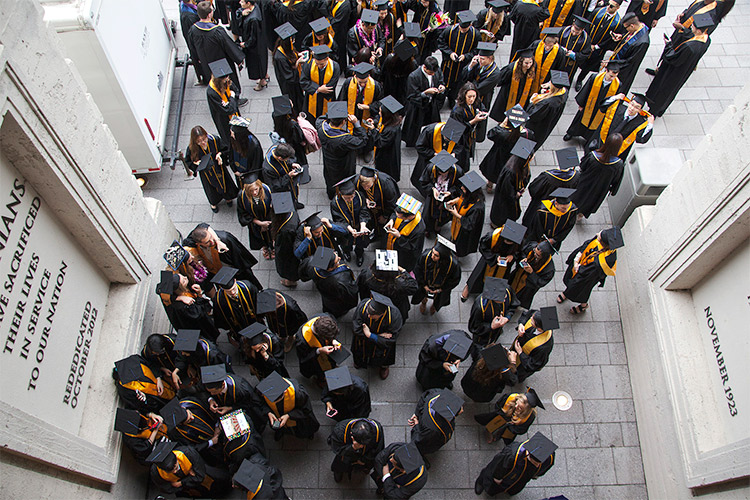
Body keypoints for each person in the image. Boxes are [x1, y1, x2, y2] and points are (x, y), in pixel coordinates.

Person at [645, 14, 712, 117]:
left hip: (674, 71)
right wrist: (683, 29)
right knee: (671, 91)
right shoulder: (707, 40)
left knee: (663, 89)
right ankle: (659, 109)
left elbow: (674, 59)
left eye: (693, 26)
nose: (691, 27)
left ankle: (653, 111)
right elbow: (691, 36)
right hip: (685, 70)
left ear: (698, 30)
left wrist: (668, 45)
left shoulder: (689, 47)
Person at [560, 226, 622, 314]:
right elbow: (587, 244)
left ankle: (583, 305)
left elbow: (586, 273)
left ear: (603, 243)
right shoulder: (601, 241)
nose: (597, 235)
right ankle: (567, 292)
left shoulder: (604, 261)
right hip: (580, 265)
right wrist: (578, 256)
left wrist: (578, 267)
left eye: (599, 236)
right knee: (571, 282)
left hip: (586, 278)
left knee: (581, 291)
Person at [188, 1, 247, 94]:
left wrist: (197, 59)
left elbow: (192, 47)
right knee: (226, 81)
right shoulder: (216, 31)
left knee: (214, 82)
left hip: (206, 62)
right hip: (221, 62)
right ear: (209, 14)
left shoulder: (193, 30)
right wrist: (238, 58)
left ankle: (219, 96)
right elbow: (228, 46)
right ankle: (232, 97)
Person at [473, 432, 556, 496]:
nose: (537, 466)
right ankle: (482, 480)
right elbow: (498, 466)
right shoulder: (512, 454)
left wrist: (536, 475)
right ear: (528, 454)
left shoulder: (549, 455)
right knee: (493, 483)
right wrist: (497, 478)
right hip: (505, 474)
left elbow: (545, 468)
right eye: (535, 463)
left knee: (514, 487)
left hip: (522, 479)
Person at [185, 223, 263, 289]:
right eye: (207, 242)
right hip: (216, 272)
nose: (212, 242)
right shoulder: (192, 241)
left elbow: (238, 257)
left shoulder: (225, 239)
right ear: (198, 244)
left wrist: (217, 241)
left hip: (233, 270)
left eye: (211, 238)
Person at [317, 101, 369, 198]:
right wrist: (356, 124)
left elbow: (321, 117)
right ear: (344, 122)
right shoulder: (344, 140)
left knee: (330, 178)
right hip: (343, 163)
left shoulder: (321, 127)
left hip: (328, 159)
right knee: (344, 180)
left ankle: (331, 194)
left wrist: (334, 113)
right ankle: (343, 195)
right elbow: (362, 141)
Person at [462, 220, 525, 299]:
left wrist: (513, 256)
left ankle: (491, 293)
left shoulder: (518, 240)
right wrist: (495, 257)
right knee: (478, 277)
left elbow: (520, 252)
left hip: (505, 264)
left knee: (499, 279)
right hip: (489, 260)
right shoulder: (492, 236)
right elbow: (483, 247)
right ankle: (469, 288)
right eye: (506, 241)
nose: (507, 243)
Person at [480, 105, 535, 193]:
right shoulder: (527, 134)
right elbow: (525, 151)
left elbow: (490, 134)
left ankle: (490, 184)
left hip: (498, 156)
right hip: (512, 161)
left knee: (492, 171)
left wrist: (501, 125)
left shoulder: (502, 133)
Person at [522, 148, 580, 228]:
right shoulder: (576, 176)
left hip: (541, 203)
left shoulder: (547, 176)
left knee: (532, 219)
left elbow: (533, 189)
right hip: (559, 204)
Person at [185, 125, 238, 213]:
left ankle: (228, 197)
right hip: (206, 172)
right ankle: (213, 203)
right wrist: (196, 164)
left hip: (218, 166)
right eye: (199, 141)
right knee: (210, 188)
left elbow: (225, 149)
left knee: (225, 182)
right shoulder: (192, 148)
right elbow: (188, 161)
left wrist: (220, 155)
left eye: (204, 139)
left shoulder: (214, 139)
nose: (203, 142)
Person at [156, 270, 221, 342]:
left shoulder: (169, 293)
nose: (186, 277)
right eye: (183, 281)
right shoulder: (185, 305)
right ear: (180, 288)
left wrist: (177, 298)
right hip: (196, 327)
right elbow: (200, 312)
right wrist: (199, 294)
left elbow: (158, 288)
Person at [147, 442, 231, 497]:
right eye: (171, 471)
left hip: (205, 477)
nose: (175, 471)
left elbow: (200, 475)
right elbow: (168, 489)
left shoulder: (188, 453)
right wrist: (190, 477)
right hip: (190, 488)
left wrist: (181, 482)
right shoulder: (156, 472)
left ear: (176, 458)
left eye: (176, 467)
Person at [564, 61, 621, 143]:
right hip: (589, 104)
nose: (612, 78)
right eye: (611, 76)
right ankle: (571, 133)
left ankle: (588, 139)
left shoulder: (618, 84)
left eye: (615, 76)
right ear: (606, 71)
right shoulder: (595, 77)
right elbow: (586, 90)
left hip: (600, 109)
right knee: (580, 119)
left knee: (595, 124)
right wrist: (581, 104)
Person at [352, 291, 404, 379]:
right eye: (368, 313)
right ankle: (359, 362)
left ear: (382, 314)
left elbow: (391, 339)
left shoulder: (394, 317)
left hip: (380, 344)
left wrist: (370, 335)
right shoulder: (364, 306)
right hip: (364, 340)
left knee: (383, 355)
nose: (368, 316)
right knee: (360, 351)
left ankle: (383, 367)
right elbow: (357, 329)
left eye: (372, 315)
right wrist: (378, 335)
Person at [572, 0, 623, 92]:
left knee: (588, 66)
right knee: (578, 60)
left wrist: (597, 46)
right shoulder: (598, 11)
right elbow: (587, 24)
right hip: (586, 43)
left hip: (598, 49)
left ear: (618, 7)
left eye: (612, 6)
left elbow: (610, 40)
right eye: (608, 4)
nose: (608, 7)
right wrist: (586, 40)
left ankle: (580, 79)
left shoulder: (618, 22)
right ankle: (571, 76)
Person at [571, 134, 624, 218]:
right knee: (590, 202)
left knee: (577, 197)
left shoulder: (593, 156)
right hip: (600, 189)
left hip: (584, 183)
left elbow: (583, 166)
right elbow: (616, 180)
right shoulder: (618, 164)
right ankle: (580, 215)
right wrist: (613, 190)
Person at [588, 93, 654, 161]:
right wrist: (616, 97)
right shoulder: (617, 108)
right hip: (600, 142)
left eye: (637, 107)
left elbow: (641, 139)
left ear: (640, 110)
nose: (632, 108)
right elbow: (603, 106)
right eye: (632, 104)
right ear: (629, 103)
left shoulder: (640, 123)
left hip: (617, 151)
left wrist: (650, 125)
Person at [257, 371, 321, 440]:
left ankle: (308, 434)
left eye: (277, 401)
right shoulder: (263, 389)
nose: (274, 403)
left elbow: (306, 410)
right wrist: (268, 412)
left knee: (302, 430)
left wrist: (289, 415)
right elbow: (259, 402)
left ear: (285, 391)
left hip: (298, 419)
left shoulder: (299, 394)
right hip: (276, 416)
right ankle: (281, 431)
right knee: (280, 427)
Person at [357, 249, 419, 320]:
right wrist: (403, 271)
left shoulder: (367, 275)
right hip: (395, 307)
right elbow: (414, 286)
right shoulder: (398, 284)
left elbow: (361, 288)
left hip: (376, 303)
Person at [488, 138, 535, 228]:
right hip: (505, 197)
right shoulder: (511, 170)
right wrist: (515, 195)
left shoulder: (520, 164)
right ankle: (496, 224)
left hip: (512, 193)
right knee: (502, 211)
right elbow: (506, 189)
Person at [408, 388, 465, 463]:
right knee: (420, 448)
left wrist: (417, 413)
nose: (462, 410)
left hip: (423, 418)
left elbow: (424, 396)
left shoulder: (436, 394)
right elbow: (418, 438)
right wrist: (416, 425)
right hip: (428, 438)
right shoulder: (432, 429)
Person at [460, 42, 501, 143]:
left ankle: (478, 137)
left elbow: (478, 88)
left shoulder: (495, 73)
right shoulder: (477, 63)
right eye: (479, 58)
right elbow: (464, 76)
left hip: (483, 97)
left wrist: (470, 82)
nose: (480, 60)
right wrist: (470, 66)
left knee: (480, 116)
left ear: (490, 58)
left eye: (483, 59)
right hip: (471, 94)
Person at [412, 118, 466, 194]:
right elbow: (420, 146)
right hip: (430, 159)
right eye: (447, 139)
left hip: (448, 161)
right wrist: (434, 154)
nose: (449, 142)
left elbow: (460, 146)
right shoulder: (430, 131)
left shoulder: (457, 132)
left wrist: (454, 153)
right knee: (426, 178)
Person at [302, 246, 360, 317]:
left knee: (327, 305)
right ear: (330, 268)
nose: (340, 258)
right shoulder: (341, 280)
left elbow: (303, 274)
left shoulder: (311, 262)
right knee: (336, 310)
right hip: (336, 299)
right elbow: (350, 295)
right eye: (337, 261)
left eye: (336, 254)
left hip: (325, 293)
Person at [438, 11, 481, 107]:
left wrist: (466, 56)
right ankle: (441, 99)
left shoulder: (475, 35)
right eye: (461, 28)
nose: (462, 30)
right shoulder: (449, 30)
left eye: (465, 29)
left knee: (458, 83)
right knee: (444, 80)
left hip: (463, 65)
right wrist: (450, 53)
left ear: (470, 25)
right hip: (449, 63)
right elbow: (441, 42)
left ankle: (452, 98)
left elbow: (477, 50)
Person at [402, 56, 446, 147]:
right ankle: (412, 142)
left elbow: (441, 80)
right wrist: (425, 93)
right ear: (425, 68)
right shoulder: (414, 76)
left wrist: (441, 86)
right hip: (417, 106)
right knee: (415, 126)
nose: (433, 74)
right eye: (431, 73)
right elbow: (411, 96)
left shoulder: (436, 71)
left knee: (433, 124)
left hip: (431, 104)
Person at [474, 388, 544, 444]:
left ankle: (498, 436)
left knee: (505, 433)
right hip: (501, 417)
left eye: (520, 408)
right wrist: (503, 413)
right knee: (493, 424)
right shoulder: (511, 397)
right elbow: (498, 404)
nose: (516, 407)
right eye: (516, 403)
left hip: (511, 427)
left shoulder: (530, 416)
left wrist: (513, 427)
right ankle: (489, 432)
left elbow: (522, 429)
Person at [411, 237, 462, 315]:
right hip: (425, 283)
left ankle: (434, 306)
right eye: (432, 252)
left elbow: (454, 280)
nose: (432, 256)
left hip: (440, 287)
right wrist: (424, 285)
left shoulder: (453, 265)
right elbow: (418, 269)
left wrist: (440, 289)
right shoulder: (426, 256)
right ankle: (424, 303)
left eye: (436, 255)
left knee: (438, 299)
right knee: (422, 294)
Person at [419, 151, 463, 237]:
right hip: (432, 197)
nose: (443, 175)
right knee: (428, 214)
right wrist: (433, 189)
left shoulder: (457, 171)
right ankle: (428, 228)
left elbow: (460, 186)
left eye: (445, 173)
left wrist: (450, 192)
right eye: (440, 173)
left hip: (448, 198)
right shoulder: (431, 168)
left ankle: (438, 226)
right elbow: (424, 182)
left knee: (444, 214)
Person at [328, 417, 385, 483]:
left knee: (367, 463)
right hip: (347, 455)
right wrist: (352, 447)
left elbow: (378, 449)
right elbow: (337, 449)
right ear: (352, 437)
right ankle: (339, 471)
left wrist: (364, 460)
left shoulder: (377, 429)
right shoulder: (340, 431)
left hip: (366, 455)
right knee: (341, 463)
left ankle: (363, 467)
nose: (362, 446)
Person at [211, 266, 259, 344]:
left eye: (233, 289)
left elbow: (258, 301)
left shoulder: (247, 287)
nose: (232, 293)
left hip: (252, 318)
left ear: (235, 281)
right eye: (228, 291)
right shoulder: (219, 300)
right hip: (237, 323)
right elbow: (220, 316)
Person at [330, 175, 371, 266]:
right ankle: (347, 252)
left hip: (359, 226)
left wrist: (363, 226)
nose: (350, 199)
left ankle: (359, 254)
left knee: (361, 242)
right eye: (347, 198)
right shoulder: (335, 203)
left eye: (352, 196)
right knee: (346, 243)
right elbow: (339, 219)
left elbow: (364, 211)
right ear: (341, 194)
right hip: (346, 229)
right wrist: (350, 229)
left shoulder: (360, 196)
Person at [509, 307, 558, 381]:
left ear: (539, 328)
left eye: (532, 321)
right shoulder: (538, 317)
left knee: (517, 374)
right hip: (519, 345)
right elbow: (527, 315)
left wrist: (520, 353)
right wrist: (521, 324)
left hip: (523, 363)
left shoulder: (544, 347)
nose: (531, 318)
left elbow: (533, 365)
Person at [605, 12, 650, 95]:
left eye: (627, 28)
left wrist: (612, 63)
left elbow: (630, 60)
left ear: (632, 25)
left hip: (624, 68)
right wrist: (622, 37)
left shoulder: (643, 42)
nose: (626, 30)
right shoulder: (638, 28)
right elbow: (630, 37)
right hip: (619, 60)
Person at [487, 50, 537, 122]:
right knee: (504, 111)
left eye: (530, 63)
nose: (528, 65)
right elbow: (501, 79)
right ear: (521, 61)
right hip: (509, 93)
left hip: (523, 95)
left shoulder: (532, 68)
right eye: (526, 63)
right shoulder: (511, 68)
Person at [525, 70, 569, 150]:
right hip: (547, 123)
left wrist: (531, 102)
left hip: (536, 127)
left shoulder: (548, 103)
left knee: (527, 142)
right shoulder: (564, 92)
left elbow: (532, 115)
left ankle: (519, 160)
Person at [449, 83, 489, 169]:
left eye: (474, 96)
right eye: (469, 97)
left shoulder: (476, 102)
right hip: (460, 140)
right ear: (464, 96)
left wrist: (482, 113)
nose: (472, 99)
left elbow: (482, 107)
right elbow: (456, 130)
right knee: (461, 159)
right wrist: (473, 121)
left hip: (470, 136)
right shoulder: (457, 111)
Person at [447, 171, 486, 257]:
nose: (461, 188)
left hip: (464, 230)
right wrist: (456, 200)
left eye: (464, 189)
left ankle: (457, 253)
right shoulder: (470, 195)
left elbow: (469, 223)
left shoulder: (477, 208)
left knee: (460, 244)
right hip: (457, 224)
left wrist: (456, 214)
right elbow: (463, 199)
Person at [256, 288, 308, 352]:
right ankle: (282, 337)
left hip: (289, 322)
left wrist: (292, 331)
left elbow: (299, 320)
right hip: (276, 321)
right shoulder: (268, 294)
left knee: (289, 331)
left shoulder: (291, 307)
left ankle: (290, 339)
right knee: (277, 329)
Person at [384, 194, 426, 273]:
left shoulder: (418, 230)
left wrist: (399, 237)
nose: (398, 217)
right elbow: (394, 214)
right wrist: (392, 220)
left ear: (409, 216)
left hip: (404, 254)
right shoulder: (402, 213)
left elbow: (412, 248)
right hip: (393, 244)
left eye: (400, 217)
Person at [338, 62, 384, 135]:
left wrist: (369, 107)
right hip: (351, 115)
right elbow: (342, 99)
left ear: (368, 76)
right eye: (360, 82)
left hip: (367, 116)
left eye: (365, 82)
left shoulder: (376, 86)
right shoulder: (348, 82)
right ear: (355, 76)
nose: (362, 84)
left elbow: (380, 103)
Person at [509, 239, 555, 310]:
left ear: (544, 257)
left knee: (519, 297)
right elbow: (522, 253)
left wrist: (531, 272)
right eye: (535, 252)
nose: (534, 254)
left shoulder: (549, 270)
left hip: (527, 286)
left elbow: (540, 282)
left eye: (537, 255)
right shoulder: (532, 247)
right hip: (518, 274)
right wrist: (524, 258)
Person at [295, 314, 344, 380]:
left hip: (327, 353)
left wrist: (333, 340)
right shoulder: (302, 340)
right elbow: (304, 357)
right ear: (320, 336)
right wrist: (319, 350)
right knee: (318, 371)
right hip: (314, 360)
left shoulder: (327, 318)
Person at [236, 173, 274, 258]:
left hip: (269, 220)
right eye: (251, 191)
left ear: (259, 186)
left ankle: (272, 247)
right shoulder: (242, 196)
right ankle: (265, 248)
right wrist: (260, 223)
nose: (254, 193)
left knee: (271, 235)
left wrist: (268, 221)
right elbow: (242, 214)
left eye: (256, 189)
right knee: (260, 237)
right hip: (255, 223)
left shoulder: (267, 190)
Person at [468, 277, 514, 346]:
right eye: (501, 299)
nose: (505, 299)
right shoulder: (480, 307)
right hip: (482, 335)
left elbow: (513, 306)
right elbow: (474, 327)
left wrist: (507, 317)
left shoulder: (507, 290)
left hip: (497, 330)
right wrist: (490, 326)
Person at [356, 165, 400, 238]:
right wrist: (365, 199)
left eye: (368, 185)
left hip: (384, 207)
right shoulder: (357, 181)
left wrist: (385, 216)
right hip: (370, 209)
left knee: (382, 224)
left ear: (374, 179)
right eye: (364, 186)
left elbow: (392, 202)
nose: (366, 188)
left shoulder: (386, 183)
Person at [300, 45, 342, 120]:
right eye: (317, 63)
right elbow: (303, 81)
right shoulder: (308, 64)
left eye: (322, 64)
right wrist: (318, 89)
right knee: (311, 119)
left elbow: (332, 85)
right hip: (311, 97)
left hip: (327, 98)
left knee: (326, 119)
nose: (319, 66)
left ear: (327, 58)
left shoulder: (335, 67)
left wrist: (319, 89)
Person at [270, 192, 302, 288]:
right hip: (290, 240)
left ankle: (290, 281)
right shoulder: (291, 212)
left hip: (288, 249)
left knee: (288, 265)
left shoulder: (286, 230)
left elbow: (284, 248)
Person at [236, 0, 269, 91]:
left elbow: (253, 37)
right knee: (261, 61)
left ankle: (262, 81)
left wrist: (245, 44)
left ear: (248, 3)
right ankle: (264, 75)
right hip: (259, 42)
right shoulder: (255, 8)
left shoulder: (254, 19)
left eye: (242, 2)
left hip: (255, 46)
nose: (240, 3)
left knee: (257, 62)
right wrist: (242, 14)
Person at [272, 95, 310, 172]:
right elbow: (299, 138)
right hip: (295, 146)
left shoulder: (275, 116)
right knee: (299, 159)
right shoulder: (292, 124)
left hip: (285, 142)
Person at [272, 23, 305, 113]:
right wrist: (298, 63)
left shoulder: (285, 46)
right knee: (294, 101)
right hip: (289, 86)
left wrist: (298, 55)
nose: (293, 42)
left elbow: (291, 54)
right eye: (292, 40)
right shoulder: (279, 57)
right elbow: (289, 77)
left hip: (293, 82)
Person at [371, 96, 404, 181]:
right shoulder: (392, 120)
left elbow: (379, 143)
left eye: (380, 111)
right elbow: (380, 121)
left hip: (386, 156)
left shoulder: (391, 130)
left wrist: (373, 130)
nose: (379, 113)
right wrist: (374, 122)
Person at [263, 141, 304, 209]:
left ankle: (294, 202)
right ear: (280, 158)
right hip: (282, 190)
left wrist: (291, 164)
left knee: (293, 193)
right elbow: (276, 185)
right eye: (287, 158)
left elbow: (286, 161)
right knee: (287, 203)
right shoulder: (268, 168)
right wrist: (289, 176)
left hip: (288, 183)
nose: (288, 159)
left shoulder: (277, 147)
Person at [524, 27, 567, 93]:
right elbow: (527, 56)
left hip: (546, 80)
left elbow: (560, 70)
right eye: (546, 45)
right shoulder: (536, 44)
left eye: (550, 46)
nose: (547, 47)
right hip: (532, 75)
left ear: (555, 44)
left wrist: (551, 82)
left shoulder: (560, 53)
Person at [180, 0, 208, 84]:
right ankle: (205, 78)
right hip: (196, 43)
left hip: (194, 39)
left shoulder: (186, 6)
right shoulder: (188, 16)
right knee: (200, 58)